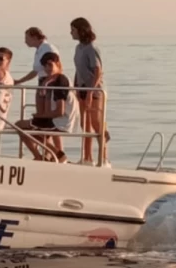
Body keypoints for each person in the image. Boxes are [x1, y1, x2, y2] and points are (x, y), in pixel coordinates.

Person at [15, 52, 77, 162]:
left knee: (19, 126)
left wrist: (41, 116)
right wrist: (43, 88)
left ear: (57, 63)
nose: (47, 68)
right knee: (28, 128)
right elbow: (46, 107)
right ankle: (51, 154)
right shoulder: (50, 81)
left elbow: (60, 111)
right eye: (45, 66)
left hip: (62, 120)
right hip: (56, 119)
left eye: (50, 64)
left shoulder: (60, 81)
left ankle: (52, 155)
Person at [70, 17, 109, 165]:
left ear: (81, 31)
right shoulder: (78, 48)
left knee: (96, 124)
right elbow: (79, 69)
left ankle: (104, 157)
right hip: (81, 88)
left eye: (73, 30)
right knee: (85, 125)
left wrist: (91, 92)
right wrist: (76, 86)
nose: (71, 33)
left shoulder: (91, 48)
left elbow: (98, 70)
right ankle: (87, 157)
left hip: (94, 90)